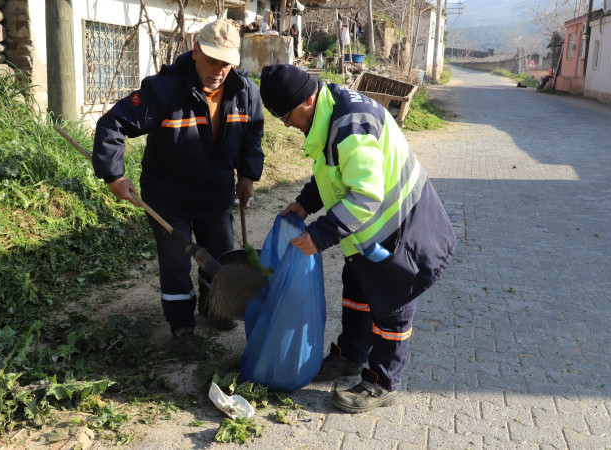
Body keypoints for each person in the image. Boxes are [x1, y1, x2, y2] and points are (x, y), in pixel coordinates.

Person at [258, 64, 456, 413]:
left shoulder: (350, 124)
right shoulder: (328, 108)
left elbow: (365, 196)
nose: (287, 124)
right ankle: (351, 354)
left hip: (402, 228)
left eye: (286, 115)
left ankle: (383, 382)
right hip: (371, 231)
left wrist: (320, 235)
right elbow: (335, 171)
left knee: (393, 301)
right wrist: (306, 204)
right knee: (357, 285)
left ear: (306, 99)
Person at [92, 20, 265, 355]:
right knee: (176, 263)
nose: (218, 70)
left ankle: (214, 307)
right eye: (212, 60)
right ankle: (182, 328)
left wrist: (248, 174)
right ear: (196, 51)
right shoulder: (164, 90)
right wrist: (114, 176)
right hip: (168, 195)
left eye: (226, 63)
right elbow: (112, 123)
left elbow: (252, 136)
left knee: (219, 255)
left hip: (215, 193)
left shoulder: (245, 91)